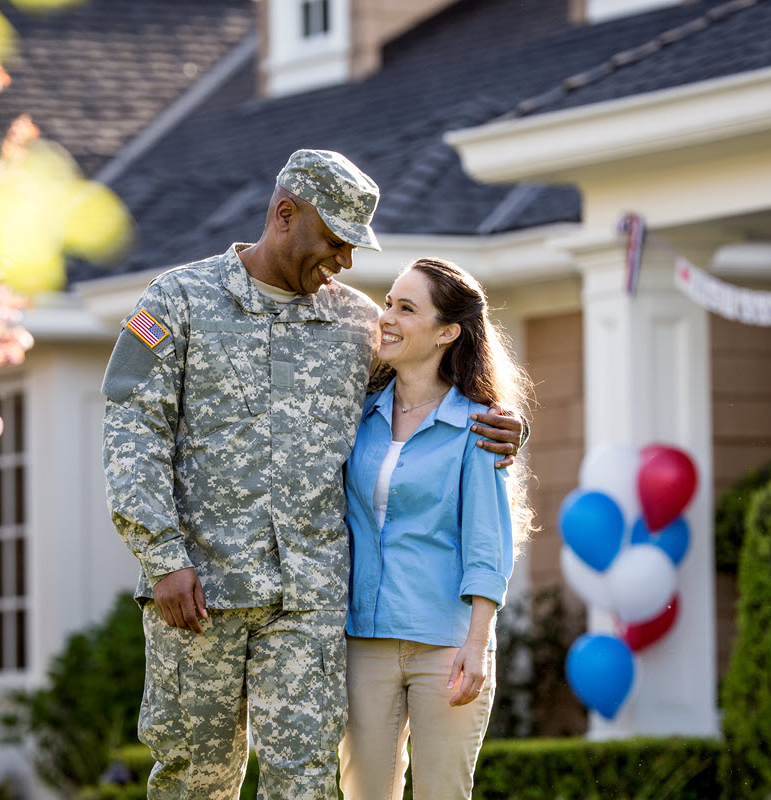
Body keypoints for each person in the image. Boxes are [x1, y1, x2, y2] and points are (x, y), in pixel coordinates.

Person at [101, 150, 524, 800]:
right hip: (198, 596)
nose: (347, 262)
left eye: (354, 248)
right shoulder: (178, 301)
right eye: (335, 241)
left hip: (311, 604)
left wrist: (506, 426)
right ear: (285, 214)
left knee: (306, 786)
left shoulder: (357, 325)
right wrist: (161, 558)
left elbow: (429, 395)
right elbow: (132, 432)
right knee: (195, 782)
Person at [339, 257, 533, 800]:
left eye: (406, 308)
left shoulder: (480, 428)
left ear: (447, 332)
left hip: (447, 645)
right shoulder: (357, 416)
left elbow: (488, 542)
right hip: (365, 641)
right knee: (363, 793)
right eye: (387, 303)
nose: (387, 318)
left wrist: (478, 641)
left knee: (441, 793)